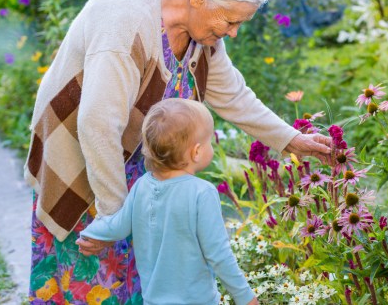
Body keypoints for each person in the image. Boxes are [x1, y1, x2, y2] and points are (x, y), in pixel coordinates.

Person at [25, 0, 331, 303]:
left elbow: (232, 95)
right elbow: (97, 126)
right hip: (86, 154)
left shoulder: (200, 25)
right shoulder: (126, 22)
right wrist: (116, 219)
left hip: (146, 159)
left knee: (142, 274)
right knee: (92, 277)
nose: (233, 32)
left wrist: (291, 139)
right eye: (231, 21)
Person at [78, 99, 258, 305]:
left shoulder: (142, 186)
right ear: (196, 151)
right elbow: (219, 254)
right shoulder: (202, 193)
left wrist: (90, 234)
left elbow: (118, 225)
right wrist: (245, 296)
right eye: (209, 140)